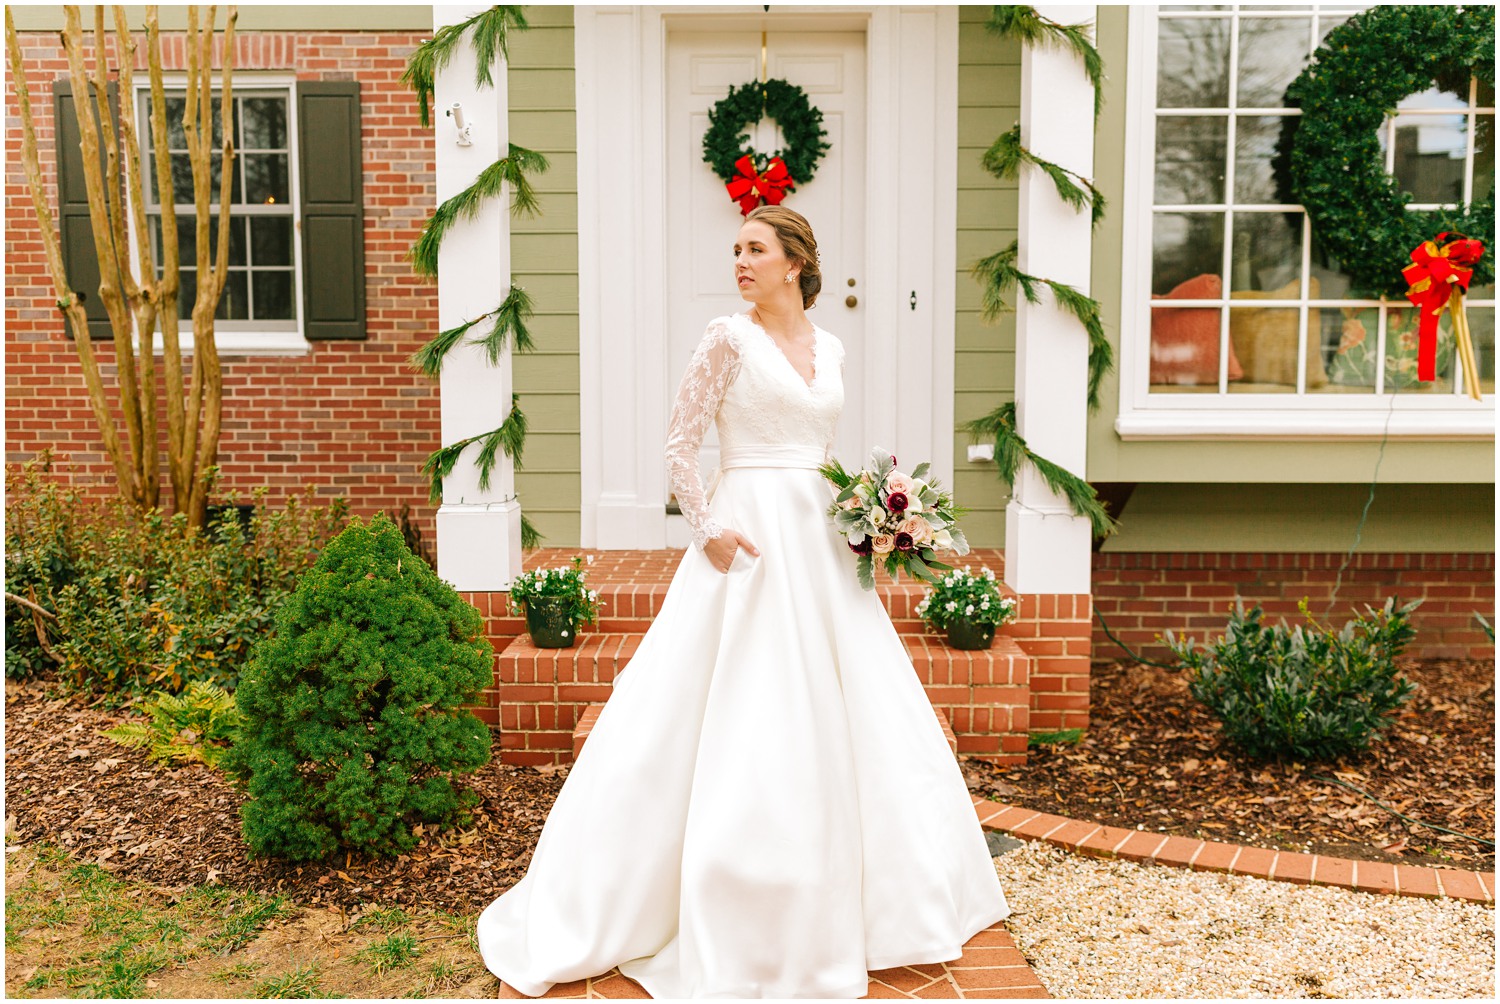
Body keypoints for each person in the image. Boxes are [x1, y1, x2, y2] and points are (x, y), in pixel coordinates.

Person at [475, 205, 1010, 998]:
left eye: (755, 250)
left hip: (820, 541)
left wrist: (874, 515)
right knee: (741, 704)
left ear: (796, 262)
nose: (741, 262)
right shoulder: (726, 338)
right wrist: (708, 529)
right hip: (746, 537)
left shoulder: (831, 346)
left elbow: (820, 451)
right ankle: (712, 897)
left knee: (845, 706)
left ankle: (875, 901)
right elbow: (678, 445)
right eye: (736, 250)